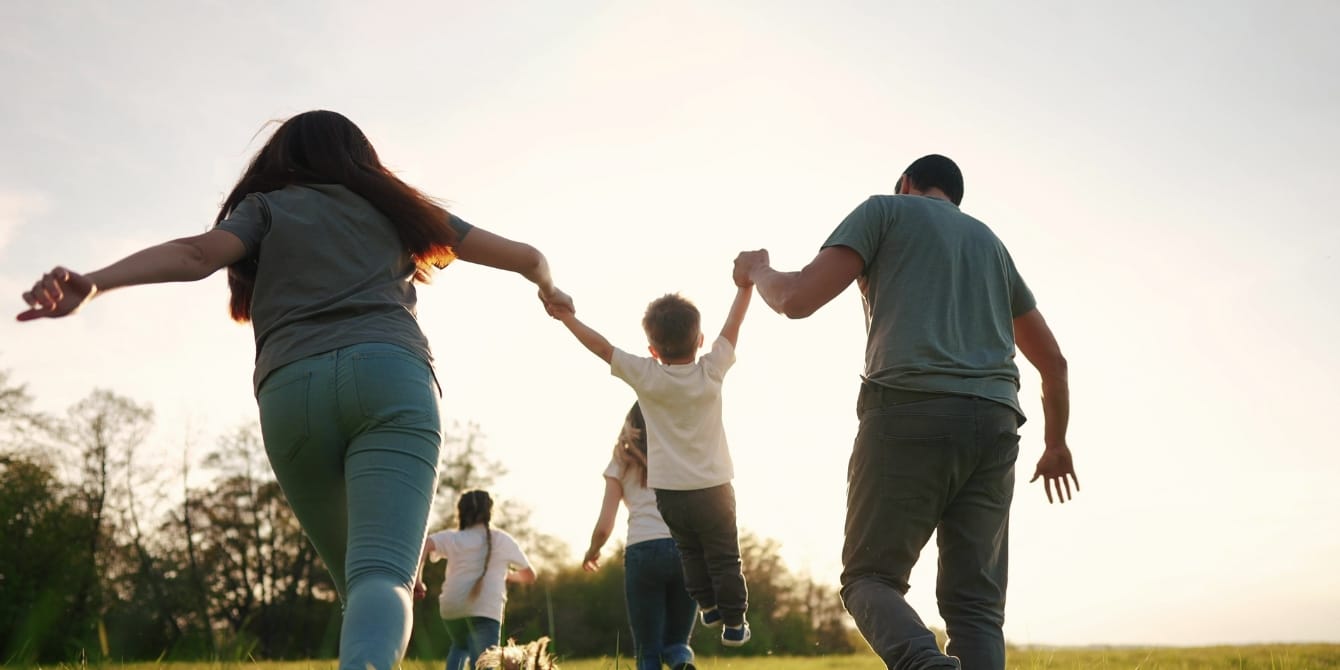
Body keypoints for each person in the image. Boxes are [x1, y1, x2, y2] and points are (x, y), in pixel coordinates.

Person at [15, 110, 571, 670]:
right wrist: (551, 290)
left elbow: (196, 255)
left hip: (290, 392)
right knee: (382, 577)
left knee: (363, 587)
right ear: (362, 159)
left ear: (280, 160)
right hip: (391, 376)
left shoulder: (264, 209)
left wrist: (94, 284)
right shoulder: (400, 211)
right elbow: (529, 258)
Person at [733, 154, 1078, 670]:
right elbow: (1052, 361)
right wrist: (1056, 443)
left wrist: (758, 271)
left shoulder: (886, 211)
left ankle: (925, 665)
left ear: (906, 184)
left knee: (868, 578)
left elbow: (797, 299)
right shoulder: (991, 245)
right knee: (977, 609)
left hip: (908, 409)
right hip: (997, 421)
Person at [548, 282, 754, 647]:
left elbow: (601, 347)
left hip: (671, 494)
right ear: (701, 339)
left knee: (690, 552)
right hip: (715, 489)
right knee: (724, 557)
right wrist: (745, 287)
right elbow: (733, 325)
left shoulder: (647, 375)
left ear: (652, 349)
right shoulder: (711, 372)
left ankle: (707, 605)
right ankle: (734, 624)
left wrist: (567, 318)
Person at [583, 402, 697, 670]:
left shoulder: (620, 462)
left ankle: (672, 660)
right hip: (685, 551)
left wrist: (593, 550)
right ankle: (681, 661)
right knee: (677, 642)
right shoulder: (682, 455)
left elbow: (604, 526)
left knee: (648, 650)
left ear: (631, 424)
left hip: (643, 553)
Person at [418, 490, 537, 670]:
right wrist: (507, 576)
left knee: (460, 646)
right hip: (485, 609)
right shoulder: (502, 540)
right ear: (490, 512)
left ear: (461, 512)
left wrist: (417, 580)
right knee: (483, 662)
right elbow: (529, 575)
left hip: (452, 608)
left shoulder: (454, 538)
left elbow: (424, 543)